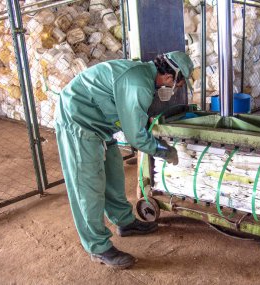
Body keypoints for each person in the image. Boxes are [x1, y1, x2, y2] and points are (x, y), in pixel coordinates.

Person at [54, 51, 194, 268]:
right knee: (88, 186)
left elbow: (129, 114)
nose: (174, 90)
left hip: (101, 124)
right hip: (78, 121)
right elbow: (136, 137)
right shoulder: (139, 85)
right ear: (169, 77)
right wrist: (165, 152)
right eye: (177, 85)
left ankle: (125, 222)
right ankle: (98, 247)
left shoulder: (143, 77)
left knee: (114, 176)